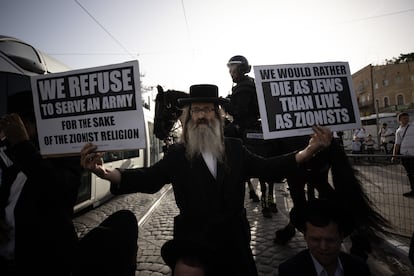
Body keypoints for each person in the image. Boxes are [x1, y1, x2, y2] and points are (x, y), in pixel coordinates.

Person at [80, 84, 333, 276]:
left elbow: (267, 167)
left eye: (208, 110)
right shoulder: (178, 154)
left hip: (235, 243)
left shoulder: (235, 148)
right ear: (189, 117)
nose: (202, 115)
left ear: (217, 115)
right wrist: (104, 173)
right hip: (193, 247)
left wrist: (308, 151)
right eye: (196, 110)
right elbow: (149, 178)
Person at [0, 91, 138, 276]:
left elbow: (56, 191)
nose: (20, 129)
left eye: (26, 123)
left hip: (47, 265)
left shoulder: (64, 159)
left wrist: (22, 144)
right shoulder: (14, 161)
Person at [278, 199, 371, 276]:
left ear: (342, 237)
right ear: (305, 236)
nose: (324, 247)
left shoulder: (360, 268)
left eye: (331, 240)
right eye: (315, 239)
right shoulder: (288, 271)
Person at [392, 112, 414, 198]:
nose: (406, 119)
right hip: (404, 155)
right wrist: (394, 156)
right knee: (409, 173)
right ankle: (413, 190)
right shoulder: (398, 131)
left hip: (413, 155)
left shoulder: (413, 127)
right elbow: (397, 144)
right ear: (399, 120)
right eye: (404, 118)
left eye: (407, 117)